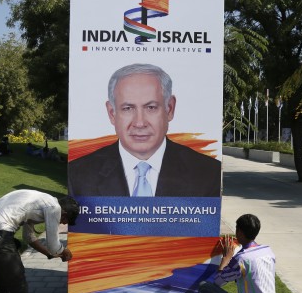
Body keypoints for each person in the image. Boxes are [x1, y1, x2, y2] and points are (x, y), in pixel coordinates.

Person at [67, 63, 221, 197]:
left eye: (151, 107)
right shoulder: (78, 175)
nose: (139, 123)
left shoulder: (207, 173)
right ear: (112, 113)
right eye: (128, 108)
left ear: (170, 109)